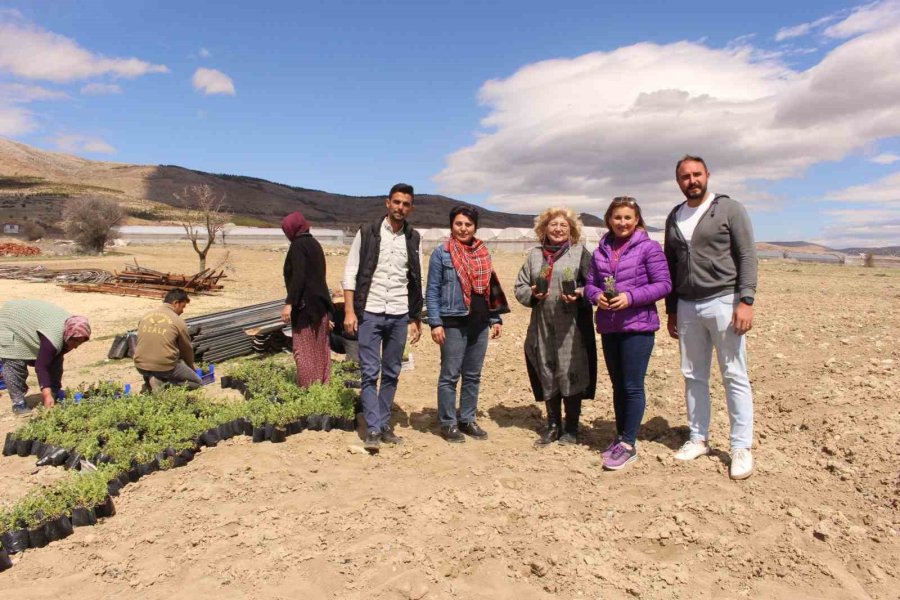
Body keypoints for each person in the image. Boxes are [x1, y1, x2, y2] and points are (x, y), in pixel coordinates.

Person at [664, 155, 757, 480]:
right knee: (692, 374)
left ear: (707, 175)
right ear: (679, 181)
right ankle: (698, 437)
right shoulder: (675, 216)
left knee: (733, 373)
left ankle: (740, 447)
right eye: (685, 176)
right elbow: (671, 262)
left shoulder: (729, 209)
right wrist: (672, 309)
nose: (692, 180)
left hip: (724, 301)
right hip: (688, 305)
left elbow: (746, 254)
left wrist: (745, 300)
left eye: (696, 174)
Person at [584, 197, 672, 470]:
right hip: (610, 325)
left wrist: (630, 297)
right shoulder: (600, 250)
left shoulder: (649, 248)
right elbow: (589, 284)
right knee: (617, 385)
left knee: (632, 385)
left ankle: (628, 444)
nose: (622, 222)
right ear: (609, 219)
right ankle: (620, 436)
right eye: (617, 217)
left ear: (637, 220)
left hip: (638, 326)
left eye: (628, 218)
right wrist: (597, 296)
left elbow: (664, 284)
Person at [342, 183, 423, 453]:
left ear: (410, 207)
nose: (401, 208)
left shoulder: (414, 238)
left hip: (399, 315)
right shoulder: (367, 233)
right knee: (369, 372)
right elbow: (351, 273)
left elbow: (415, 279)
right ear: (387, 203)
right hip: (371, 313)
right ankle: (373, 427)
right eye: (397, 202)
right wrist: (350, 311)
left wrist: (415, 317)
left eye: (406, 204)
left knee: (391, 372)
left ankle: (384, 423)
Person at [514, 207, 597, 446]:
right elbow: (520, 286)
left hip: (572, 326)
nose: (558, 229)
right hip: (542, 325)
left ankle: (571, 427)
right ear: (544, 229)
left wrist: (580, 293)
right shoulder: (534, 256)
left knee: (570, 372)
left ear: (571, 229)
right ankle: (552, 426)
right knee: (547, 371)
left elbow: (594, 284)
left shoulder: (580, 253)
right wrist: (531, 294)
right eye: (553, 225)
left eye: (563, 225)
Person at [426, 205, 505, 443]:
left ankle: (467, 419)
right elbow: (432, 290)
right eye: (459, 224)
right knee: (450, 375)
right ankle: (448, 422)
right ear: (452, 225)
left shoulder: (482, 252)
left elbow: (490, 288)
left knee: (473, 375)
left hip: (479, 321)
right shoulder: (442, 253)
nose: (463, 228)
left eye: (468, 224)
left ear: (475, 227)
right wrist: (435, 322)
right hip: (452, 322)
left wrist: (495, 317)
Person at [0, 300, 91, 415]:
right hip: (11, 322)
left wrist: (52, 390)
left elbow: (53, 358)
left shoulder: (72, 326)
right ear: (69, 335)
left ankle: (54, 391)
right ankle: (18, 403)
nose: (76, 346)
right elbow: (41, 366)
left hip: (33, 322)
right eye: (76, 341)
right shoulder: (53, 337)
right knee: (14, 363)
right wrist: (46, 395)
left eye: (81, 342)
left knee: (55, 358)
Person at [281, 211, 335, 387]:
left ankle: (307, 390)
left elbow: (299, 276)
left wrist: (289, 304)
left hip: (306, 309)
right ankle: (323, 387)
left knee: (303, 351)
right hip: (320, 307)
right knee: (320, 350)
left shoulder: (297, 246)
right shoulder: (314, 243)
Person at [133, 288, 202, 391]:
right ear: (176, 303)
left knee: (160, 364)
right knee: (196, 382)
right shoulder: (178, 321)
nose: (182, 311)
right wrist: (191, 367)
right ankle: (161, 385)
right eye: (183, 307)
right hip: (163, 367)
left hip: (140, 365)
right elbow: (186, 350)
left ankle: (150, 380)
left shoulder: (145, 316)